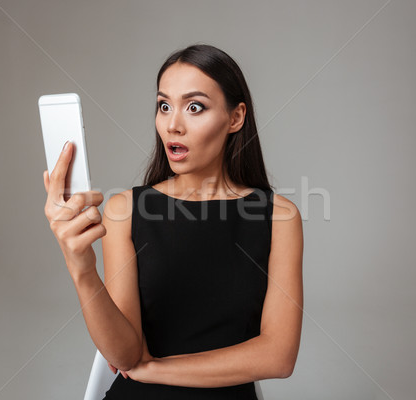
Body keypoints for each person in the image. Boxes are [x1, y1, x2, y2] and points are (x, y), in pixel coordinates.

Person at [43, 44, 303, 400]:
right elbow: (123, 355)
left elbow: (278, 356)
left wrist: (156, 370)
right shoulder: (126, 210)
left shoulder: (279, 217)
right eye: (164, 106)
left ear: (235, 118)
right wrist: (82, 269)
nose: (173, 125)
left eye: (194, 107)